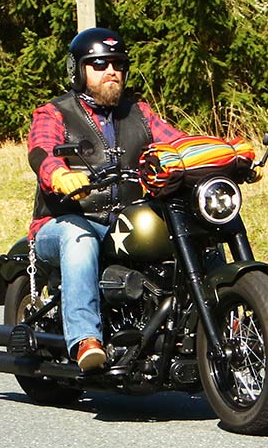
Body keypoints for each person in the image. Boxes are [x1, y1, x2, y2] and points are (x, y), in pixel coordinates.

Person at [26, 27, 185, 372]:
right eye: (99, 64)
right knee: (79, 238)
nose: (111, 71)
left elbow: (179, 144)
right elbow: (41, 150)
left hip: (124, 224)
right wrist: (60, 175)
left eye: (117, 64)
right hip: (64, 223)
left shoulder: (140, 113)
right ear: (79, 71)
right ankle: (86, 338)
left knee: (190, 227)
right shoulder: (55, 113)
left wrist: (227, 155)